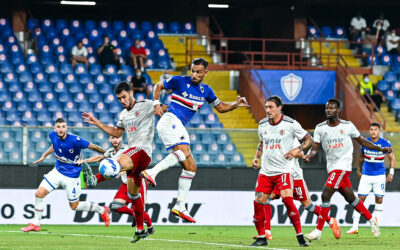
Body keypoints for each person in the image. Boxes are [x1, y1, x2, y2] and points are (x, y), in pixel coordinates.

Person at [141, 58, 249, 223]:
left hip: (176, 125)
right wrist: (156, 103)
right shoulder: (179, 80)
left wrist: (236, 103)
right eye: (192, 70)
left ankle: (180, 206)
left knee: (191, 167)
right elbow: (158, 86)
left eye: (198, 72)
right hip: (169, 120)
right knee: (184, 152)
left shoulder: (207, 91)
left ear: (206, 72)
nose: (194, 74)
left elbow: (220, 107)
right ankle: (151, 173)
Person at [82, 82, 160, 243]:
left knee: (113, 163)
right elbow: (117, 132)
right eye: (119, 99)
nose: (122, 100)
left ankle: (97, 177)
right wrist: (97, 122)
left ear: (131, 93)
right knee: (133, 195)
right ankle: (140, 229)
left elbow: (163, 108)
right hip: (134, 158)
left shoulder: (146, 104)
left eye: (124, 96)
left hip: (142, 150)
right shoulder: (123, 115)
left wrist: (166, 111)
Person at [303, 98, 392, 240]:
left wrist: (380, 148)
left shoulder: (348, 125)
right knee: (351, 198)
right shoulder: (320, 128)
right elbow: (314, 149)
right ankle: (372, 220)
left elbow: (363, 142)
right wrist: (308, 156)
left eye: (332, 108)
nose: (328, 110)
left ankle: (318, 231)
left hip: (343, 166)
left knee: (325, 195)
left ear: (338, 110)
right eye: (327, 108)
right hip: (332, 168)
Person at [20, 118, 109, 232]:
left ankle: (102, 210)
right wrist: (44, 155)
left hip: (71, 177)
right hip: (57, 172)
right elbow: (54, 145)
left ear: (66, 128)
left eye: (63, 126)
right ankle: (35, 224)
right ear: (55, 128)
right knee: (39, 193)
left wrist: (107, 153)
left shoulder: (75, 140)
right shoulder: (52, 135)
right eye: (58, 126)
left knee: (74, 206)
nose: (61, 129)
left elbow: (93, 146)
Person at [251, 96, 311, 247]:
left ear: (279, 108)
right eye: (266, 107)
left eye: (271, 107)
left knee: (287, 200)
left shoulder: (291, 124)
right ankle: (261, 237)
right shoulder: (262, 124)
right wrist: (256, 157)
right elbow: (261, 143)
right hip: (265, 172)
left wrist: (296, 149)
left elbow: (309, 139)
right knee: (258, 201)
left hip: (283, 171)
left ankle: (300, 236)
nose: (268, 110)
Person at [254, 139, 341, 241]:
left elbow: (300, 153)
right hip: (280, 175)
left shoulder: (291, 137)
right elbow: (262, 146)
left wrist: (292, 153)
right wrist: (257, 158)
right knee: (266, 199)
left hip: (295, 177)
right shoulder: (272, 135)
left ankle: (330, 220)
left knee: (309, 206)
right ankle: (267, 231)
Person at [78, 135, 154, 234]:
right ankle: (136, 215)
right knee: (116, 206)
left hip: (136, 181)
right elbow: (99, 158)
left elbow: (133, 163)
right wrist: (84, 161)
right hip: (125, 184)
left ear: (121, 138)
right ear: (109, 139)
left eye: (117, 138)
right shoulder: (110, 152)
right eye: (112, 138)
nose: (115, 140)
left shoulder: (128, 150)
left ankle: (150, 226)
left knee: (139, 209)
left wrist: (121, 171)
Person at [347, 122, 395, 234]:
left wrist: (391, 172)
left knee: (379, 200)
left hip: (379, 176)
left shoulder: (385, 143)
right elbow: (361, 157)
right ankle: (355, 227)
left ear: (379, 131)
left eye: (375, 129)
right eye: (371, 129)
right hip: (366, 175)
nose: (373, 131)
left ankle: (375, 227)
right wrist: (358, 169)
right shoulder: (365, 142)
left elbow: (392, 158)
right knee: (360, 200)